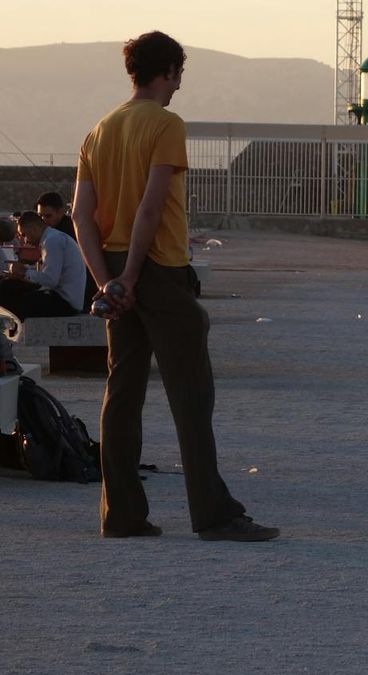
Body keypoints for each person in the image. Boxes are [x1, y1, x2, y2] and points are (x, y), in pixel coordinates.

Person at [72, 31, 278, 541]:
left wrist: (107, 285)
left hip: (116, 272)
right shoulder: (165, 125)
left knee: (122, 393)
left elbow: (80, 217)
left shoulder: (99, 130)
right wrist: (134, 277)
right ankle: (214, 515)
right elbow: (150, 205)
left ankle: (121, 514)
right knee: (191, 396)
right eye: (179, 73)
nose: (180, 84)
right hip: (156, 268)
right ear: (167, 71)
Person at [0, 211, 86, 318]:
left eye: (24, 234)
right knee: (7, 286)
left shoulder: (52, 241)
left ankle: (12, 330)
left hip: (64, 302)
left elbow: (50, 280)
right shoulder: (52, 238)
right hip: (60, 295)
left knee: (11, 299)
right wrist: (21, 275)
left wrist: (24, 271)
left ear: (33, 228)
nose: (26, 241)